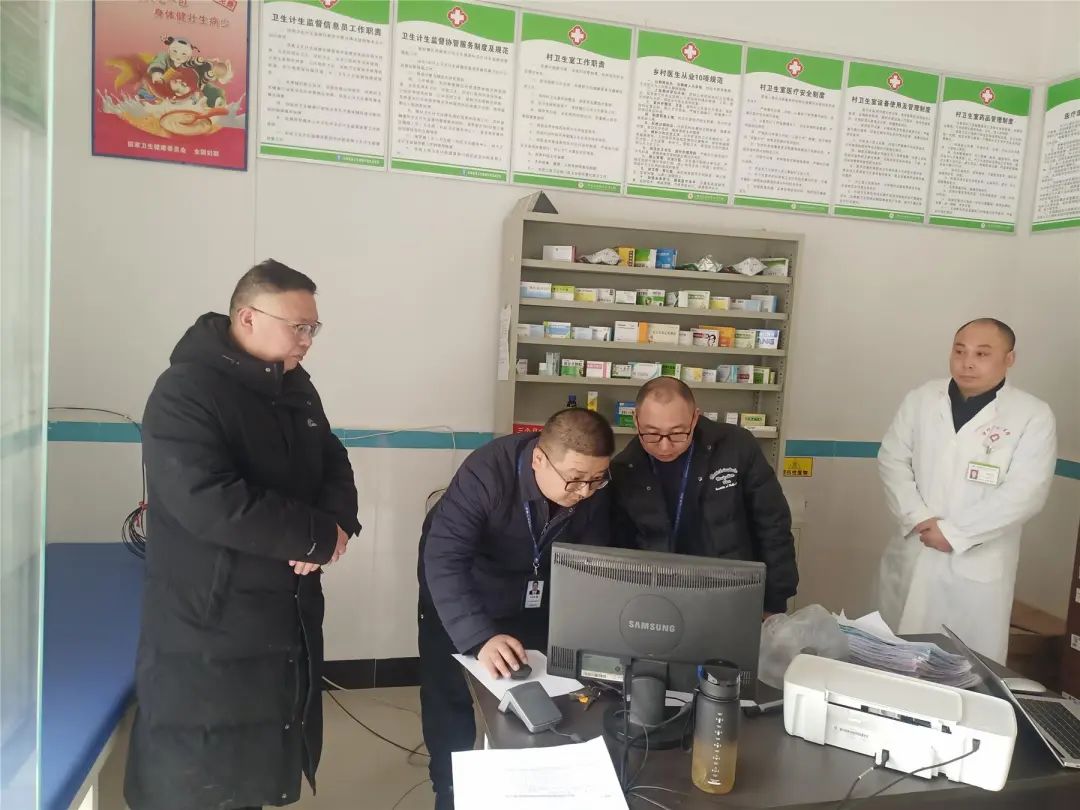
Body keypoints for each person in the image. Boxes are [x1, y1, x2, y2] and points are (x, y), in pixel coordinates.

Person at [124, 260, 361, 810]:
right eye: (298, 326)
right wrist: (312, 537)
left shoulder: (296, 387)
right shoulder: (185, 390)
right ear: (248, 318)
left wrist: (336, 523)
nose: (308, 340)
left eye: (313, 328)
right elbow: (209, 500)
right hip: (211, 617)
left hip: (284, 609)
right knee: (202, 772)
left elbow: (332, 460)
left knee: (261, 759)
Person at [417, 409, 614, 810]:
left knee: (535, 690)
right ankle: (449, 787)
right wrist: (479, 637)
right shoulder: (486, 474)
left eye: (597, 479)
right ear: (539, 459)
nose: (585, 491)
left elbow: (593, 559)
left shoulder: (592, 486)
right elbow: (445, 559)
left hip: (532, 589)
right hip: (462, 588)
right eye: (575, 479)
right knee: (450, 695)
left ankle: (526, 783)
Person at [878, 318, 1057, 663]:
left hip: (977, 564)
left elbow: (1026, 491)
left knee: (968, 667)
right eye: (959, 351)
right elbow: (892, 459)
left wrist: (955, 533)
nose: (967, 362)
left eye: (982, 354)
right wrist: (918, 516)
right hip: (915, 547)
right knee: (896, 659)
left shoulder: (1031, 415)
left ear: (1009, 359)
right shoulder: (922, 399)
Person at [610, 377, 798, 616]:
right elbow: (620, 548)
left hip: (731, 594)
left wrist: (773, 603)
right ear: (636, 420)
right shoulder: (625, 468)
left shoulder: (736, 447)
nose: (664, 446)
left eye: (677, 433)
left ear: (694, 418)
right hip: (659, 598)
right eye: (652, 434)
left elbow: (773, 525)